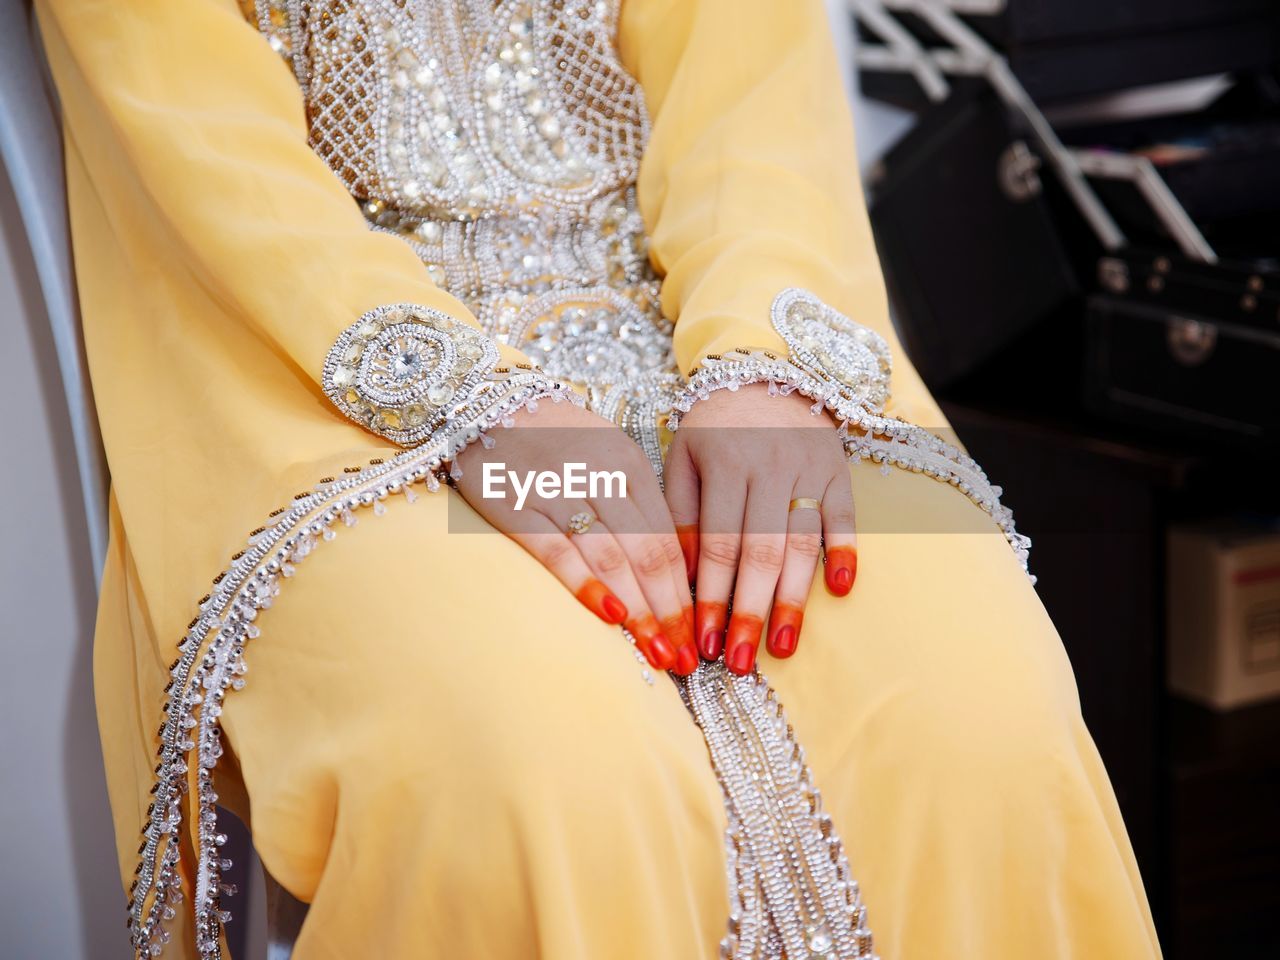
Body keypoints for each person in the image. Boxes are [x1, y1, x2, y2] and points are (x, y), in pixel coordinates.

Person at [37, 0, 1161, 957]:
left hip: (699, 343)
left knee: (974, 717)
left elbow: (751, 99)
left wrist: (761, 364)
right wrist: (467, 399)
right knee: (540, 771)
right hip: (319, 381)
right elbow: (197, 149)